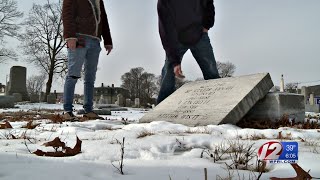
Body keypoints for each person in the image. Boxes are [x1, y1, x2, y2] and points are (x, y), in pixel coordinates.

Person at [157, 0, 220, 104]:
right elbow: (165, 32)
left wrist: (207, 25)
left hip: (199, 34)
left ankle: (220, 103)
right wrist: (175, 61)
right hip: (177, 38)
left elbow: (208, 3)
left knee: (211, 71)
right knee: (169, 70)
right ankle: (162, 107)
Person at [62, 0, 113, 120]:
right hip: (79, 37)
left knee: (90, 77)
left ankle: (88, 110)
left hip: (95, 40)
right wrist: (70, 36)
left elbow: (103, 19)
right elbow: (67, 14)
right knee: (73, 74)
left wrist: (108, 40)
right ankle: (67, 111)